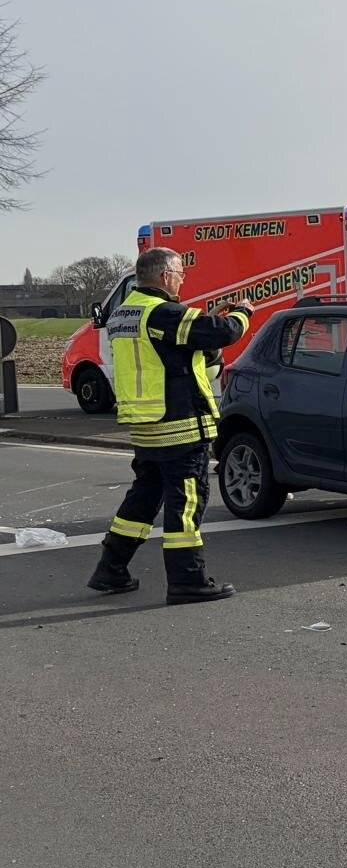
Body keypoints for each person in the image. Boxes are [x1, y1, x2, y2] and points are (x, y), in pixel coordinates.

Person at [86, 248, 252, 604]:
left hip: (146, 426)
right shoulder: (162, 313)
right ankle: (187, 581)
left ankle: (110, 570)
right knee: (187, 504)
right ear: (163, 276)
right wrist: (243, 313)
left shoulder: (123, 314)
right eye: (179, 273)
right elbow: (221, 332)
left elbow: (171, 353)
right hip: (179, 426)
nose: (182, 279)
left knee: (142, 500)